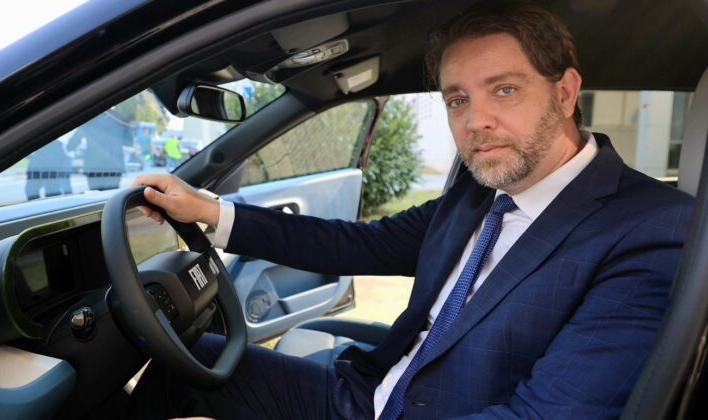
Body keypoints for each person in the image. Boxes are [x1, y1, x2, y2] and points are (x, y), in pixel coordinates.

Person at [128, 2, 694, 419]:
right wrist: (209, 212)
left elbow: (545, 416)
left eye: (504, 90)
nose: (475, 122)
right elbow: (358, 244)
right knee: (184, 359)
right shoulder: (479, 194)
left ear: (565, 93)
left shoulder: (652, 229)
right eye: (458, 99)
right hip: (366, 398)